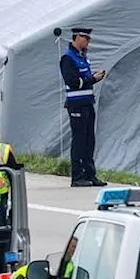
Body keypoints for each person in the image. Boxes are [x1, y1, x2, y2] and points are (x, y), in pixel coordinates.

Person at [59, 27, 107, 187]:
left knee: (89, 140)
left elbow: (83, 79)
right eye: (85, 38)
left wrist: (91, 79)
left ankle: (90, 174)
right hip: (76, 105)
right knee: (79, 141)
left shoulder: (83, 58)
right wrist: (92, 79)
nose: (88, 42)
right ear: (77, 37)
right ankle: (77, 176)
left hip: (87, 103)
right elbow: (72, 81)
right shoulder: (68, 58)